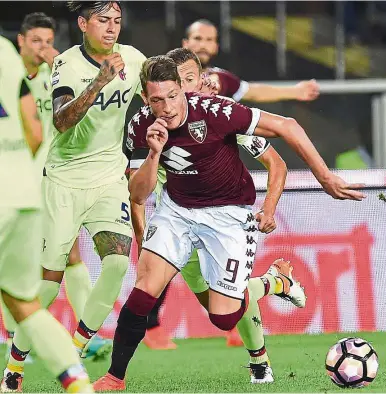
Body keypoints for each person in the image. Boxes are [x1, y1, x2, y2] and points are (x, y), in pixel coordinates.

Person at [93, 55, 365, 390]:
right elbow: (137, 194)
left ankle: (274, 281)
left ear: (182, 89)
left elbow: (288, 126)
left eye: (173, 96)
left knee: (224, 318)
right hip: (176, 210)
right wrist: (153, 154)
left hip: (228, 214)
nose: (166, 108)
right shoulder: (140, 126)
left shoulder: (216, 111)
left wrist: (324, 177)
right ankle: (113, 377)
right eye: (156, 100)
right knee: (143, 292)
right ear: (147, 99)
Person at [127, 47, 299, 384]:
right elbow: (135, 195)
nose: (189, 88)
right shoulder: (152, 124)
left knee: (230, 302)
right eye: (183, 81)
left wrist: (268, 208)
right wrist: (141, 237)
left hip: (220, 221)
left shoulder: (220, 119)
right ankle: (273, 285)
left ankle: (260, 358)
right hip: (175, 224)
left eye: (193, 79)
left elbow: (276, 162)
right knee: (217, 311)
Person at [3, 1, 147, 385]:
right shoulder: (66, 64)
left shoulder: (133, 59)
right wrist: (100, 80)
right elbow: (62, 121)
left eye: (117, 21)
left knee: (117, 263)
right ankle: (14, 367)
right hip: (63, 181)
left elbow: (158, 95)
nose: (112, 28)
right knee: (48, 283)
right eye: (103, 21)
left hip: (109, 178)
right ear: (83, 24)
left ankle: (77, 349)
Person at [0, 11, 110, 366]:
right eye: (36, 41)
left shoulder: (56, 76)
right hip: (18, 181)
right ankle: (16, 334)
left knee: (71, 254)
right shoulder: (11, 77)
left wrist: (58, 63)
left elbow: (79, 111)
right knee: (18, 267)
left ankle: (85, 336)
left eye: (49, 41)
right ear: (20, 41)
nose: (43, 48)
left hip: (52, 177)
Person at [182, 19, 320, 103]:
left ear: (216, 47)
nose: (203, 45)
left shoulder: (223, 79)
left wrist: (295, 91)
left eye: (209, 40)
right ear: (185, 43)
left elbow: (254, 92)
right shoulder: (167, 74)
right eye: (198, 38)